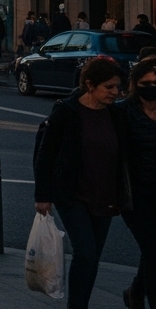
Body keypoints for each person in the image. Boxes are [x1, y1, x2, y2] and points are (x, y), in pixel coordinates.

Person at [34, 56, 128, 309]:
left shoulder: (116, 114)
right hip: (73, 195)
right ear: (90, 84)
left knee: (92, 257)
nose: (115, 92)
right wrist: (42, 195)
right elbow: (45, 153)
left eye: (117, 87)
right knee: (85, 253)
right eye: (109, 87)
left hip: (105, 196)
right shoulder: (67, 111)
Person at [120, 57, 156, 309]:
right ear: (135, 84)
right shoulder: (124, 112)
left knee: (153, 251)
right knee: (153, 249)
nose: (152, 88)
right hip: (137, 195)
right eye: (146, 83)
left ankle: (135, 292)